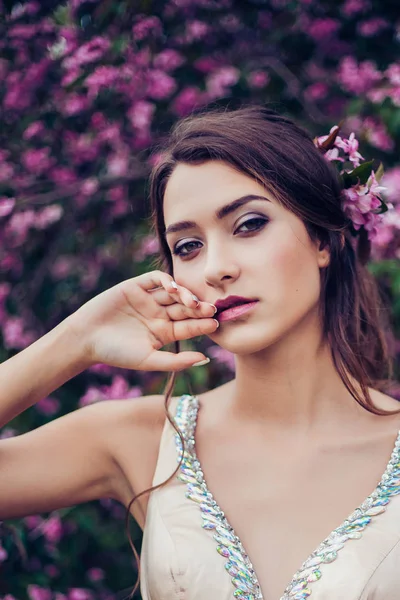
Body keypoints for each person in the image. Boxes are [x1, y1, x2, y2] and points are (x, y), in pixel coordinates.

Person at [0, 105, 399, 600]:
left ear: (321, 237)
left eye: (249, 224)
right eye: (187, 246)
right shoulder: (141, 440)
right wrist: (77, 340)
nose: (215, 268)